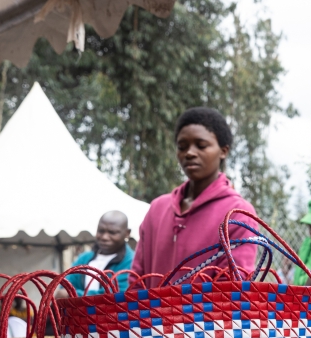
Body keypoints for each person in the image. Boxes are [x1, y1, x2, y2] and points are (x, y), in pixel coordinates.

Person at [130, 108, 256, 287]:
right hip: (147, 308)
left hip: (208, 308)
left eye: (201, 145)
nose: (189, 153)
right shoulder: (158, 208)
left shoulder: (238, 213)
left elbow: (231, 288)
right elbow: (136, 279)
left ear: (223, 151)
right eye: (182, 147)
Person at [66, 211, 135, 295]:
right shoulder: (83, 259)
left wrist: (73, 295)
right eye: (101, 231)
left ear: (127, 233)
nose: (104, 237)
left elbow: (116, 295)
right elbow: (66, 286)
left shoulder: (132, 261)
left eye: (112, 232)